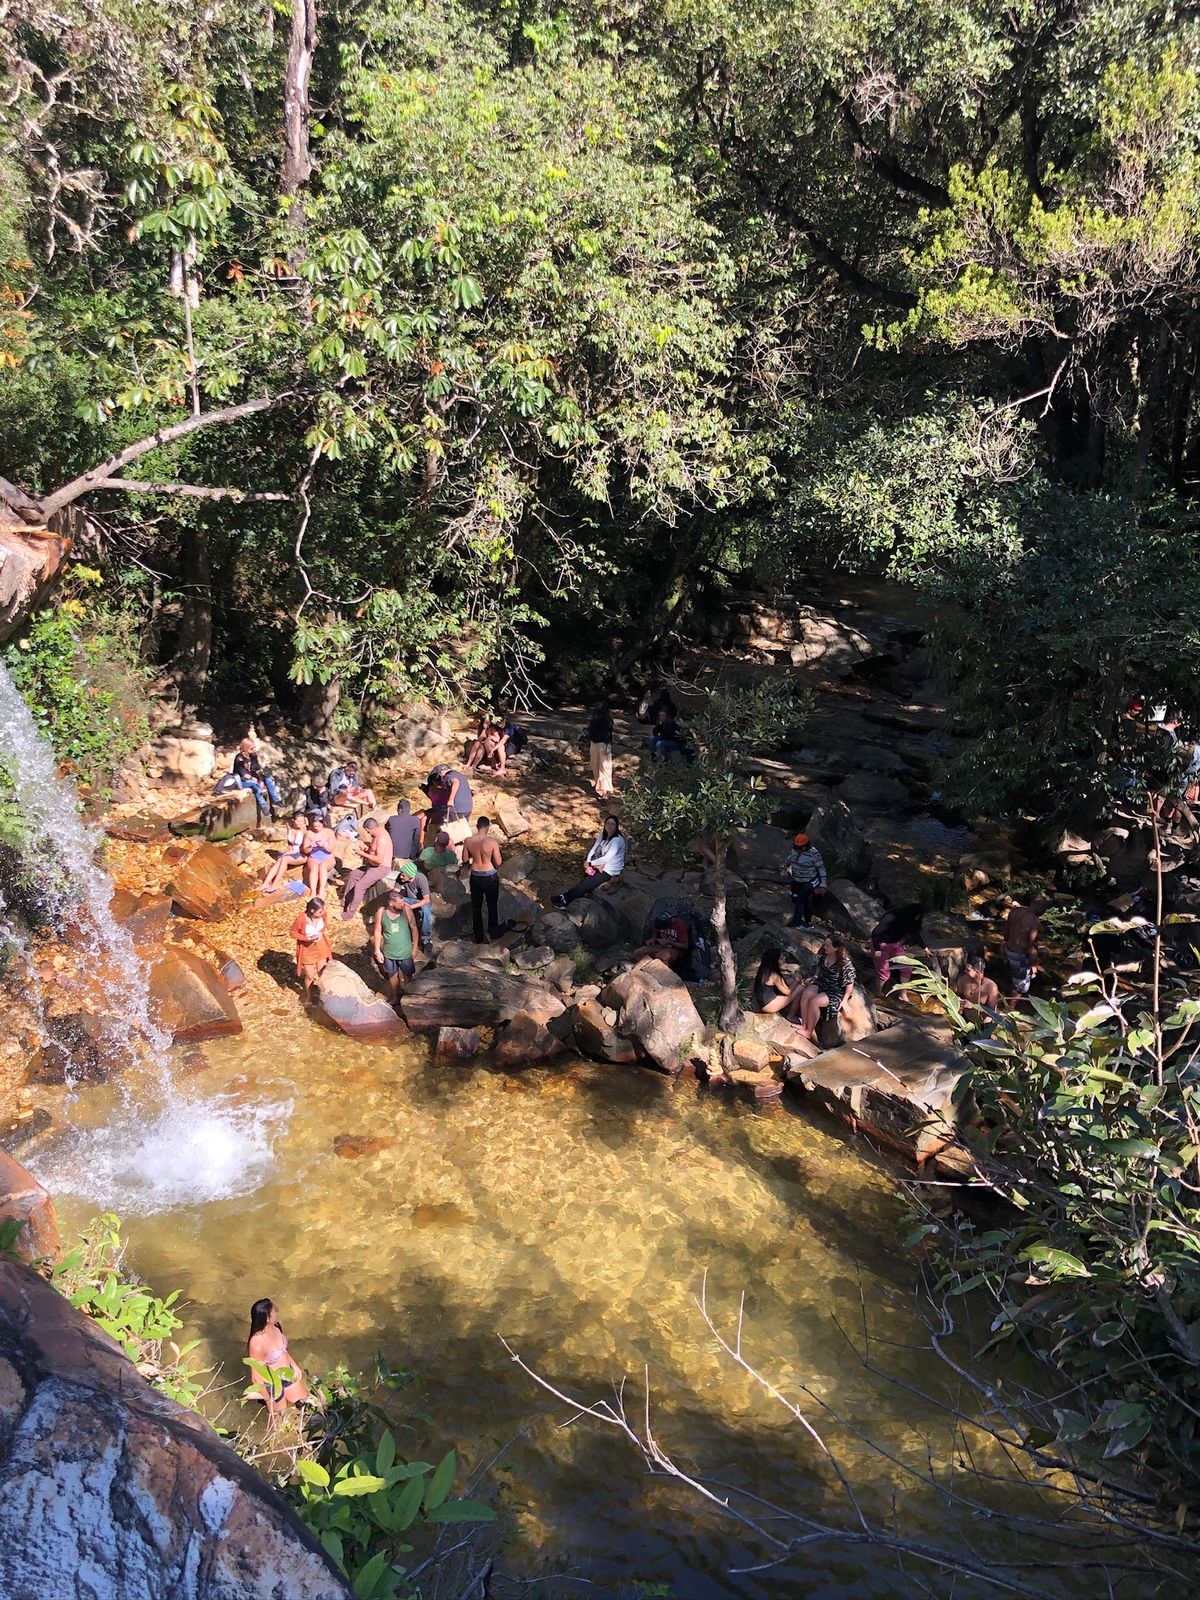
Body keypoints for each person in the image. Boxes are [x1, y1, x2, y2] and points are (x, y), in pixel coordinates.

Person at [247, 1298, 309, 1415]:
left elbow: (283, 1351)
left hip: (287, 1374)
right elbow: (255, 1377)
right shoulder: (256, 1342)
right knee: (280, 1419)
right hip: (273, 1383)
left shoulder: (276, 1326)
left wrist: (294, 1366)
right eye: (275, 1311)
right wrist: (268, 1399)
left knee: (305, 1406)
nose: (278, 1311)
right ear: (267, 1318)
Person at [555, 815, 625, 907]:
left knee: (586, 883)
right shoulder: (604, 834)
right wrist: (587, 862)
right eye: (608, 823)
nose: (610, 826)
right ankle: (563, 896)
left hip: (609, 870)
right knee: (585, 879)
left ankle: (565, 902)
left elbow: (606, 858)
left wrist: (590, 863)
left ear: (616, 826)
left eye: (613, 824)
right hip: (599, 864)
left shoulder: (617, 841)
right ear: (605, 824)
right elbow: (594, 848)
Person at [796, 934, 857, 1041]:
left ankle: (809, 1031)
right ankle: (804, 1024)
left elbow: (850, 982)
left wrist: (845, 1001)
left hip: (835, 990)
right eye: (825, 945)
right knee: (806, 993)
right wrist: (815, 976)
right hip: (822, 982)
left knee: (815, 1001)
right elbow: (819, 967)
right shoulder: (825, 953)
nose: (825, 947)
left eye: (828, 946)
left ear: (836, 948)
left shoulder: (844, 962)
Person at [460, 815, 504, 943]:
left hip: (476, 875)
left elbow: (464, 859)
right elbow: (499, 862)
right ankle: (493, 933)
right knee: (492, 906)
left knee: (476, 907)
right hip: (489, 874)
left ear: (477, 826)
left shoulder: (468, 841)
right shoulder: (492, 842)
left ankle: (478, 937)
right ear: (488, 827)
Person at [340, 815, 394, 920]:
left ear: (373, 828)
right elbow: (374, 852)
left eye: (368, 831)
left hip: (381, 868)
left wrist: (364, 854)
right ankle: (344, 901)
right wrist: (367, 850)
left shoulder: (382, 839)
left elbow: (379, 860)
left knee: (360, 886)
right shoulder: (376, 836)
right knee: (353, 875)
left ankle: (348, 915)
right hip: (371, 866)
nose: (368, 834)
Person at [372, 886, 418, 1000]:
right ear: (391, 903)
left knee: (408, 975)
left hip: (405, 951)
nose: (403, 905)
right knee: (392, 975)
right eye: (400, 903)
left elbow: (414, 928)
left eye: (403, 902)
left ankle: (408, 998)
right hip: (389, 952)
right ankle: (395, 997)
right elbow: (377, 931)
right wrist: (378, 951)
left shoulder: (407, 910)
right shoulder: (381, 912)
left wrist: (415, 948)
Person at [869, 903, 926, 992]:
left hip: (895, 946)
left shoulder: (909, 921)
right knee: (884, 973)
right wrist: (877, 949)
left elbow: (914, 933)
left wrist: (925, 948)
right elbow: (876, 932)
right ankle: (878, 992)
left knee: (907, 967)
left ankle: (903, 995)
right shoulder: (891, 917)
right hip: (881, 946)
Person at [290, 896, 332, 1002]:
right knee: (309, 975)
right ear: (312, 910)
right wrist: (306, 938)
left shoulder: (323, 914)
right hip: (307, 949)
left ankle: (325, 995)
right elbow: (293, 932)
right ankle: (309, 996)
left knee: (322, 972)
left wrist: (321, 933)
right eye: (320, 911)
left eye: (322, 910)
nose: (322, 913)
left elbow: (325, 923)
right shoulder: (301, 919)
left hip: (320, 946)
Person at [1003, 895, 1046, 995]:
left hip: (1009, 950)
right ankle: (1009, 1009)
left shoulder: (1015, 911)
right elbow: (1031, 947)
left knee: (1015, 979)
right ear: (1040, 907)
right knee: (1019, 988)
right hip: (1020, 955)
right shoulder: (1034, 921)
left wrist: (1005, 944)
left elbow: (1006, 932)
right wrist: (1034, 965)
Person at [783, 833, 827, 928]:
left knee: (800, 899)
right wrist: (785, 868)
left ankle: (797, 923)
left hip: (810, 881)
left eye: (801, 847)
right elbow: (788, 861)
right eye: (797, 847)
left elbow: (821, 868)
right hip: (797, 880)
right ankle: (808, 920)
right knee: (795, 899)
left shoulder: (814, 853)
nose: (799, 849)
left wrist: (823, 884)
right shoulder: (794, 851)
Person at [258, 812, 307, 895]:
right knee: (280, 859)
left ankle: (274, 885)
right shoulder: (289, 826)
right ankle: (265, 883)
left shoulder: (304, 830)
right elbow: (290, 842)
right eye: (298, 821)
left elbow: (306, 847)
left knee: (284, 859)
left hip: (302, 854)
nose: (301, 824)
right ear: (293, 820)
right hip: (293, 852)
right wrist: (290, 850)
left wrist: (292, 852)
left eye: (302, 821)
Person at [231, 738, 282, 817]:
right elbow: (244, 774)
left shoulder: (253, 755)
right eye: (251, 748)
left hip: (251, 775)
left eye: (254, 747)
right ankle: (264, 807)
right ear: (245, 749)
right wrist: (255, 780)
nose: (254, 749)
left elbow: (257, 770)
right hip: (241, 779)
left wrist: (261, 780)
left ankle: (276, 800)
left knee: (268, 779)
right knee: (256, 786)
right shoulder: (239, 759)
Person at [752, 947, 805, 1018]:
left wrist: (792, 977)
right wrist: (797, 980)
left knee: (791, 980)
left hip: (762, 1001)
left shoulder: (765, 969)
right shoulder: (774, 975)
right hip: (769, 1005)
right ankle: (791, 1015)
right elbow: (788, 992)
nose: (784, 958)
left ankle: (789, 1006)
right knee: (800, 988)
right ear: (775, 961)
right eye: (781, 958)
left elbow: (782, 979)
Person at [396, 857, 433, 951]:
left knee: (425, 910)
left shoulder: (421, 879)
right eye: (401, 874)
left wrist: (411, 907)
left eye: (403, 875)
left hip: (421, 900)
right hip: (409, 899)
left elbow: (426, 900)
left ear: (410, 876)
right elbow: (395, 892)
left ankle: (426, 938)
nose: (401, 877)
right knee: (396, 900)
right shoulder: (401, 878)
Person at [956, 952, 1000, 1025]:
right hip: (965, 1020)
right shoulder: (964, 979)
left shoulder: (991, 987)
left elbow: (992, 1012)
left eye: (968, 970)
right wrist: (958, 1000)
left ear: (977, 972)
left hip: (982, 1024)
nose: (965, 971)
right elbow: (957, 995)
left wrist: (973, 1006)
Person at [586, 702, 615, 798]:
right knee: (603, 767)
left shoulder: (597, 720)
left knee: (599, 766)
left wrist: (588, 734)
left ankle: (603, 790)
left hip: (599, 744)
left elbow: (591, 732)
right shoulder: (607, 720)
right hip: (602, 745)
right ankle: (602, 788)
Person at [301, 816, 336, 897]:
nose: (317, 828)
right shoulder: (309, 833)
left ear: (323, 824)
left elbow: (331, 849)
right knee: (314, 868)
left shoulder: (329, 832)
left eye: (319, 826)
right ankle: (313, 891)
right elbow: (305, 850)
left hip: (327, 856)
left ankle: (321, 890)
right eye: (315, 826)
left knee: (322, 867)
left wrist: (323, 845)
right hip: (314, 856)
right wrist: (311, 846)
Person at [386, 798, 424, 862]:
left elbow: (388, 835)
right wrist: (412, 856)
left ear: (399, 810)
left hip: (392, 854)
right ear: (409, 810)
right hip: (407, 855)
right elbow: (416, 839)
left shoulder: (392, 819)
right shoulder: (415, 820)